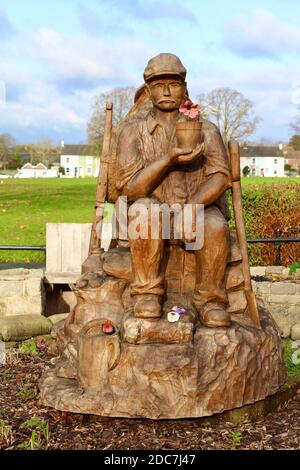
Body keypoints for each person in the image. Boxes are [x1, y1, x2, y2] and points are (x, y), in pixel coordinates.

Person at [116, 53, 231, 328]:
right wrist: (168, 159)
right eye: (158, 85)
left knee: (215, 226)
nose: (167, 91)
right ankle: (146, 294)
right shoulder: (133, 132)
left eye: (174, 84)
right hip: (153, 209)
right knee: (145, 212)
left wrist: (193, 207)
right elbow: (129, 190)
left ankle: (211, 301)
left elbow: (220, 176)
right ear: (148, 90)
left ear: (185, 88)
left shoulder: (206, 129)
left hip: (198, 206)